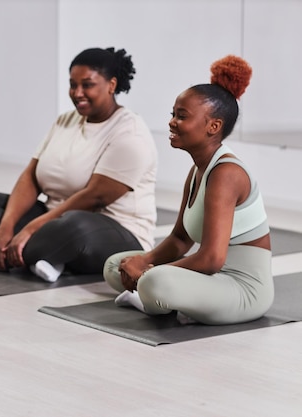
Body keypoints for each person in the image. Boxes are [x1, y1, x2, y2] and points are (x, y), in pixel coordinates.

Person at [0, 47, 157, 282]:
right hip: (53, 220)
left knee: (75, 225)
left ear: (111, 85)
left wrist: (30, 228)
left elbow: (94, 198)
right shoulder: (65, 120)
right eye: (73, 84)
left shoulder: (131, 134)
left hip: (114, 232)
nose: (77, 93)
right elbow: (31, 176)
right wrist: (6, 226)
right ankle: (48, 257)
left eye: (87, 85)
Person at [103, 55, 273, 325]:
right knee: (116, 265)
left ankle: (152, 298)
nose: (172, 122)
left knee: (154, 281)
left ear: (213, 126)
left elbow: (211, 259)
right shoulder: (197, 171)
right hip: (209, 279)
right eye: (173, 114)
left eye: (182, 116)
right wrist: (143, 260)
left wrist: (146, 271)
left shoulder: (226, 174)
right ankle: (157, 298)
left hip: (242, 291)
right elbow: (180, 240)